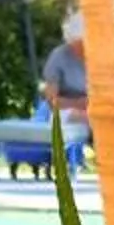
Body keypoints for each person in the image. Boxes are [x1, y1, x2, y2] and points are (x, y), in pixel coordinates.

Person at [42, 9, 90, 138]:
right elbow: (52, 102)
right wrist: (80, 103)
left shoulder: (100, 57)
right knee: (86, 118)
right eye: (78, 43)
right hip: (66, 114)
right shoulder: (59, 56)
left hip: (97, 109)